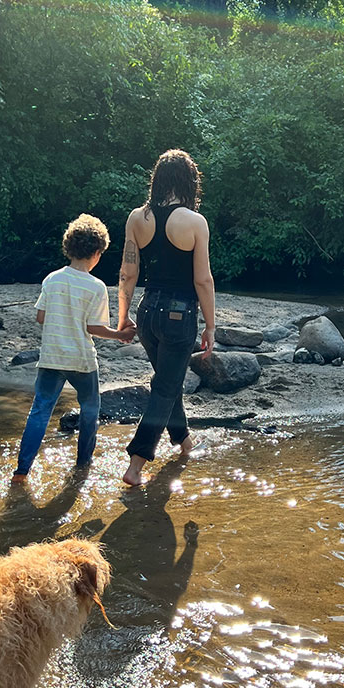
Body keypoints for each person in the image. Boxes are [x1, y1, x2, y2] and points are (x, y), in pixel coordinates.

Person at [117, 149, 215, 487]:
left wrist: (123, 314)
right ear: (189, 182)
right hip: (179, 315)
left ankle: (184, 443)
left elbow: (128, 272)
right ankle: (136, 463)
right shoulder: (195, 222)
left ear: (157, 179)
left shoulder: (136, 218)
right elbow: (203, 280)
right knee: (165, 386)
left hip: (146, 312)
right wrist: (211, 326)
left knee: (167, 382)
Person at [12, 214, 135, 483]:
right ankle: (82, 466)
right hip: (81, 360)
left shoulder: (52, 279)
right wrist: (120, 335)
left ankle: (21, 472)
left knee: (40, 411)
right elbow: (95, 328)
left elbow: (41, 317)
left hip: (51, 357)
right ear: (96, 252)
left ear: (70, 248)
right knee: (90, 410)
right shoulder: (96, 286)